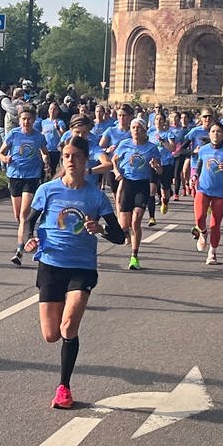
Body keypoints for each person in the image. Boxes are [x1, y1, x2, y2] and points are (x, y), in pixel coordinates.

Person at [21, 138, 126, 409]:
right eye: (66, 155)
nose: (70, 160)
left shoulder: (95, 196)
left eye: (76, 156)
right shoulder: (48, 190)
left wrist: (100, 229)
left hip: (82, 266)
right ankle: (63, 378)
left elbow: (119, 236)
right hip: (51, 263)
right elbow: (29, 222)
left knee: (68, 326)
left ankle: (64, 387)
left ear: (85, 160)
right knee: (51, 335)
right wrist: (29, 240)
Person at [112, 118, 164, 270]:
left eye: (138, 128)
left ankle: (134, 257)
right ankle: (127, 234)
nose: (135, 130)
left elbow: (160, 170)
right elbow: (114, 160)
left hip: (142, 185)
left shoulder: (152, 148)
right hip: (127, 184)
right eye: (133, 127)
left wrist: (156, 167)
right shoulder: (124, 144)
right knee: (124, 225)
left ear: (144, 130)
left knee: (136, 220)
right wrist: (116, 172)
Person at [1, 105, 49, 264]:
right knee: (18, 216)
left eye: (29, 119)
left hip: (32, 176)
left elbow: (44, 152)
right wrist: (5, 159)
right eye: (23, 119)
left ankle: (19, 251)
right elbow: (0, 153)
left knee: (23, 215)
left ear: (34, 120)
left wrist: (46, 161)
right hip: (14, 176)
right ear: (19, 121)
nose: (26, 122)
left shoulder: (38, 137)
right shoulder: (13, 135)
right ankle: (28, 234)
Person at [193, 122, 223, 266]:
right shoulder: (203, 150)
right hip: (204, 189)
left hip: (220, 192)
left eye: (218, 132)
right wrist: (195, 176)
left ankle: (212, 252)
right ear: (209, 134)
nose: (215, 134)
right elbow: (199, 164)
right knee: (199, 218)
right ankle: (203, 233)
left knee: (215, 224)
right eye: (212, 131)